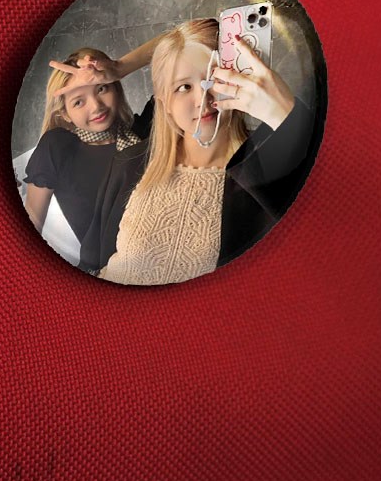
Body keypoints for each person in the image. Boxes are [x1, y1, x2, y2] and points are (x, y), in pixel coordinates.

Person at [99, 18, 314, 286]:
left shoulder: (268, 173)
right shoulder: (129, 162)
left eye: (214, 78)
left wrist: (285, 114)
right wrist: (121, 67)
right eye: (184, 87)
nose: (203, 99)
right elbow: (95, 261)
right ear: (164, 103)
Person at [22, 36, 160, 261]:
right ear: (65, 113)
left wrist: (120, 68)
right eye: (79, 101)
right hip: (103, 273)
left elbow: (195, 39)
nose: (96, 106)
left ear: (115, 86)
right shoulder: (58, 147)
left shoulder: (145, 130)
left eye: (102, 88)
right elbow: (30, 228)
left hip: (166, 263)